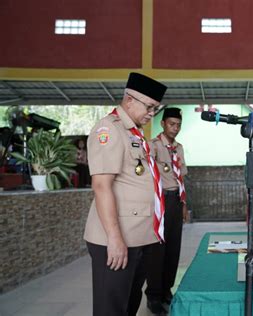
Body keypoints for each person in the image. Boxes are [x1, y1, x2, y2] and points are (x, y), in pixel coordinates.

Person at [83, 72, 167, 316]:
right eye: (149, 107)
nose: (152, 113)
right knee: (111, 308)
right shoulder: (108, 130)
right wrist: (114, 239)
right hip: (117, 238)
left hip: (139, 236)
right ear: (130, 100)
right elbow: (101, 186)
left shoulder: (135, 133)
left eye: (155, 108)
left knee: (129, 304)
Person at [145, 107, 188, 315]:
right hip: (159, 202)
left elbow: (181, 178)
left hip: (175, 202)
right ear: (162, 124)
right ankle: (153, 296)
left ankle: (166, 290)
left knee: (173, 248)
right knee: (157, 250)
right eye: (172, 124)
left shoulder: (179, 148)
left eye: (178, 124)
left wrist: (184, 205)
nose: (175, 128)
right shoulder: (153, 146)